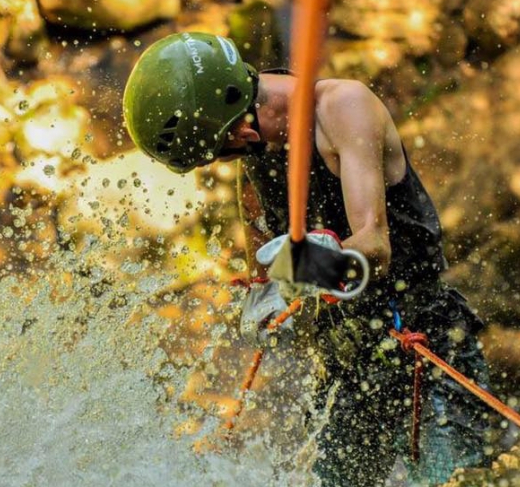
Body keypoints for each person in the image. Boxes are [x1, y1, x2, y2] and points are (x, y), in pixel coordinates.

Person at [123, 32, 493, 486]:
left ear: (240, 130)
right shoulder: (257, 148)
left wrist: (314, 266)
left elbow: (375, 248)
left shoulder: (343, 108)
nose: (224, 161)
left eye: (218, 154)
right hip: (351, 361)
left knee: (457, 481)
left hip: (424, 346)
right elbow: (260, 257)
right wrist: (265, 296)